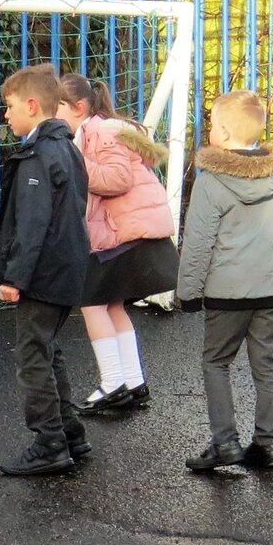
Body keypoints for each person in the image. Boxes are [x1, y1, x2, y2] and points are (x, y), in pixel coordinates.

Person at [0, 64, 92, 476]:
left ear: (33, 105)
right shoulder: (67, 148)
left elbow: (34, 223)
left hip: (43, 273)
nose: (6, 115)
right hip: (66, 267)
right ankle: (70, 431)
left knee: (32, 357)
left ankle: (49, 443)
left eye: (9, 107)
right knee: (47, 348)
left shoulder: (40, 155)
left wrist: (14, 277)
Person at [176, 90, 273, 472]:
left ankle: (225, 442)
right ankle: (267, 445)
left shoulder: (211, 182)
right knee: (266, 363)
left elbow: (198, 242)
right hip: (268, 288)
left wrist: (188, 293)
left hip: (226, 292)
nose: (210, 131)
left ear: (226, 133)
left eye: (214, 125)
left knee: (216, 362)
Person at [56, 74, 178, 415]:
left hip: (124, 231)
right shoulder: (101, 129)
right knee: (112, 306)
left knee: (92, 303)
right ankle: (134, 383)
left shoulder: (100, 131)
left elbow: (116, 179)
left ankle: (113, 384)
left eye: (58, 107)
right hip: (128, 230)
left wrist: (74, 160)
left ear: (79, 107)